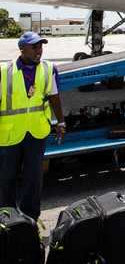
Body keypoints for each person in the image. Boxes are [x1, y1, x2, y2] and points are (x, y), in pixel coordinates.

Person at [0, 32, 65, 221]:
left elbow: (54, 96)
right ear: (22, 49)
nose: (39, 50)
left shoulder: (48, 69)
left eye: (40, 46)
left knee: (33, 179)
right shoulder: (5, 71)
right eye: (34, 47)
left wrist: (60, 122)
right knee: (6, 178)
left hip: (37, 132)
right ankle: (7, 219)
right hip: (9, 134)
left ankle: (30, 219)